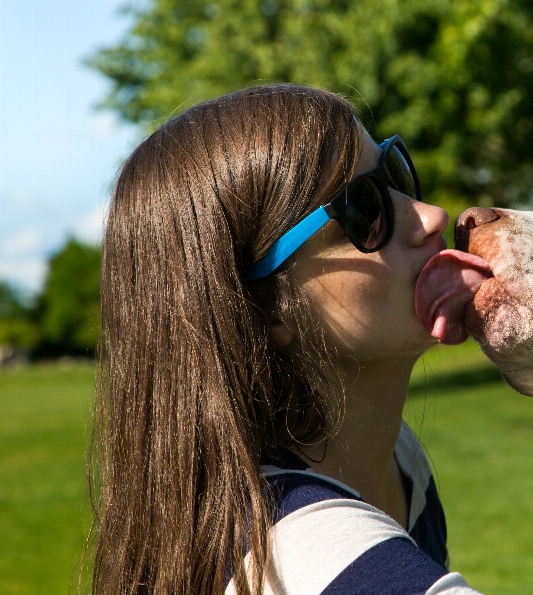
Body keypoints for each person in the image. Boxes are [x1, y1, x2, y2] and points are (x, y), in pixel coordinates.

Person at [90, 84, 482, 595]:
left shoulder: (400, 461)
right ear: (263, 307)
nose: (432, 216)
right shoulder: (318, 560)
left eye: (396, 173)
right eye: (365, 210)